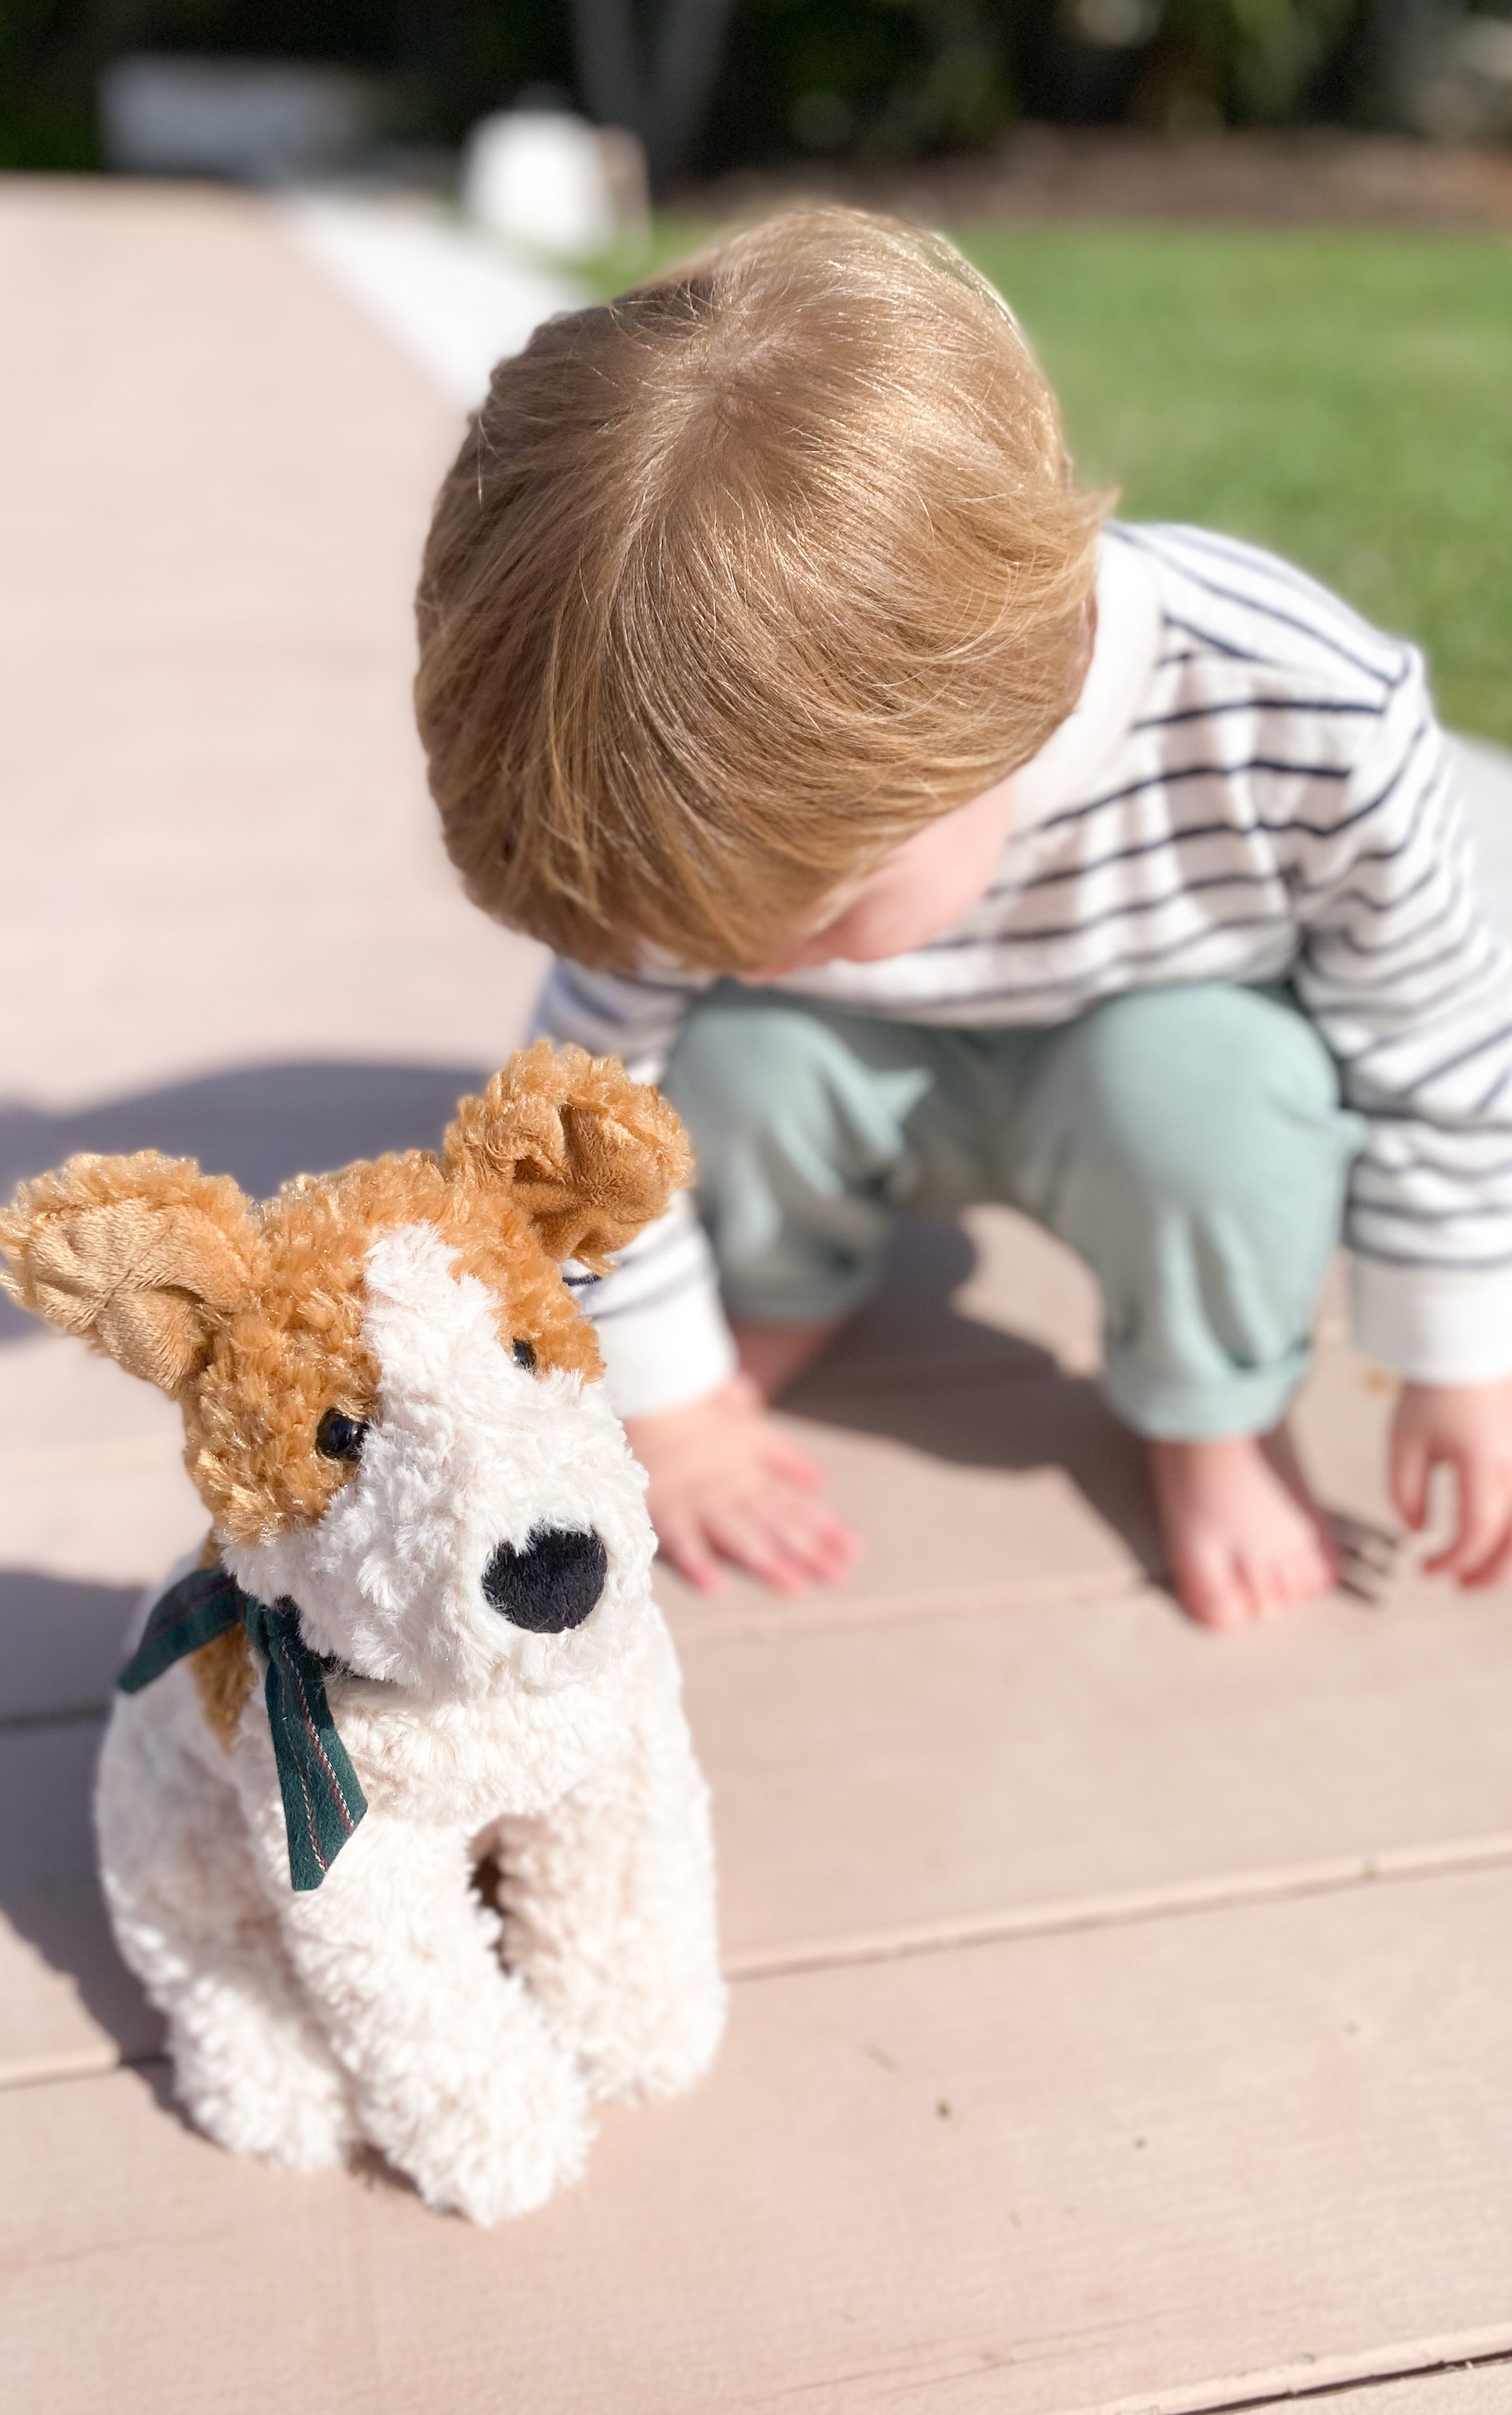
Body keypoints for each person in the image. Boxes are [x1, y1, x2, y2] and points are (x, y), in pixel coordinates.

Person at [413, 204, 1512, 1629]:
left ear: (988, 713)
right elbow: (581, 1129)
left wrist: (1456, 1355)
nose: (735, 954)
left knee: (1215, 1098)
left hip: (1159, 1069)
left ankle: (1208, 1412)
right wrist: (671, 1408)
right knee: (728, 1065)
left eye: (804, 914)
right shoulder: (709, 809)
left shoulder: (1302, 709)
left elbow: (1436, 1038)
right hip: (848, 1072)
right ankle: (784, 1294)